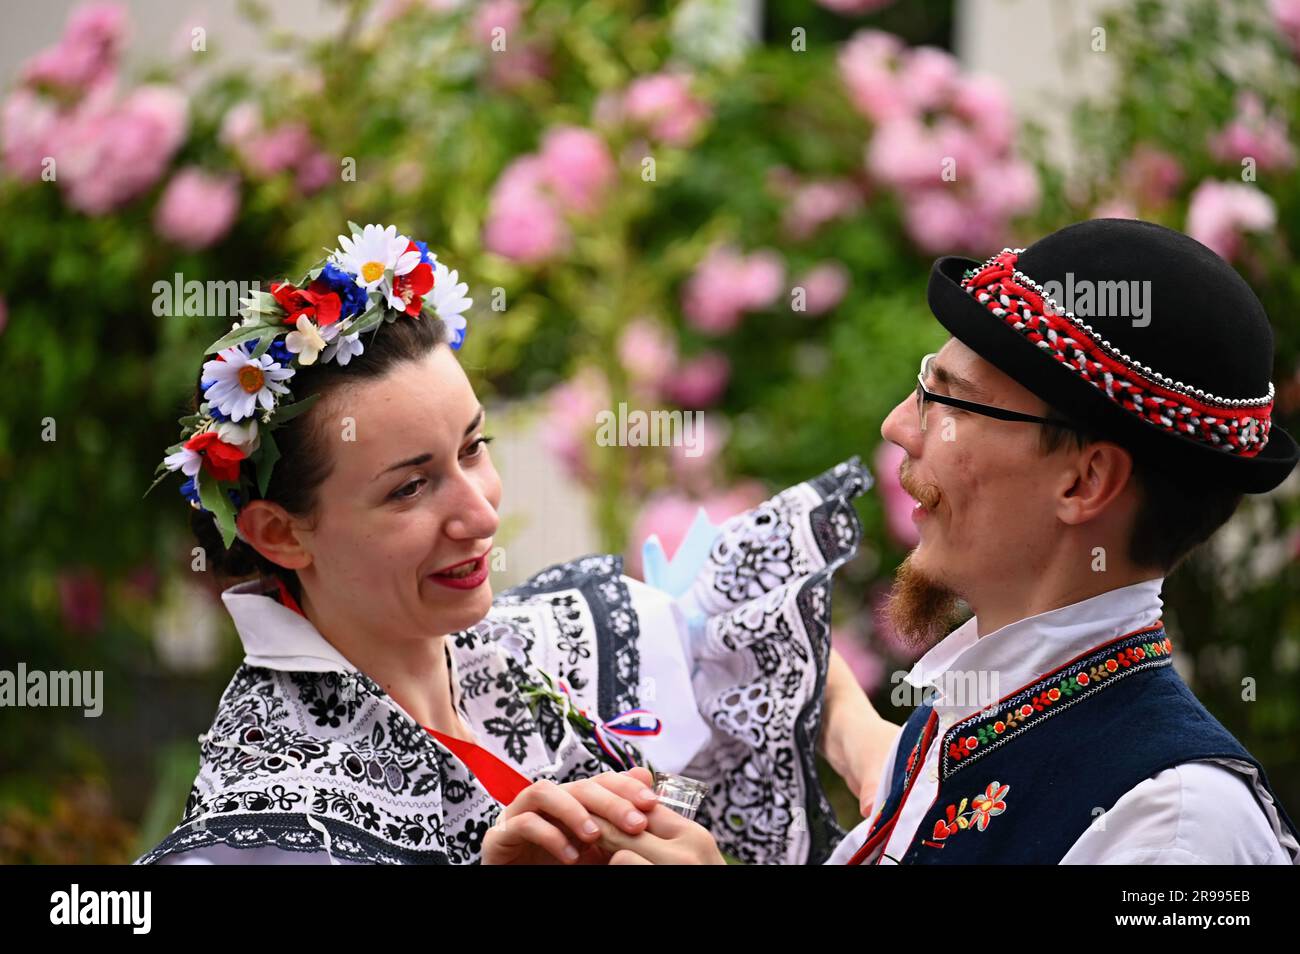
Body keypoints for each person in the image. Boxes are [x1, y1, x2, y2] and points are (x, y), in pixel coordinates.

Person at [136, 222, 898, 866]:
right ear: (280, 531)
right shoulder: (273, 820)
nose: (479, 515)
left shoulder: (535, 646)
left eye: (473, 448)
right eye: (409, 488)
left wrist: (875, 756)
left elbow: (743, 647)